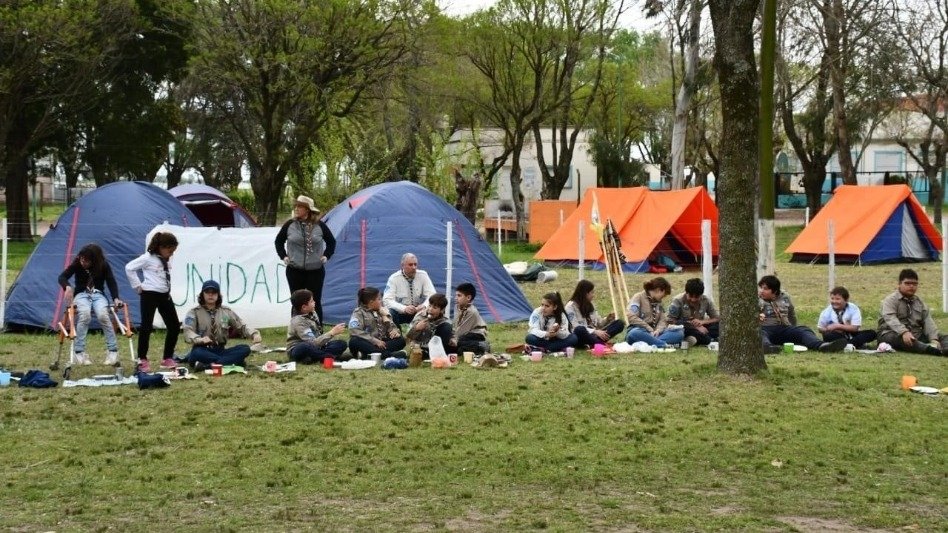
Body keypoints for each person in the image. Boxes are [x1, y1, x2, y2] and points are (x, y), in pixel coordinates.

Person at [57, 243, 124, 365]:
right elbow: (62, 277)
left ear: (94, 260)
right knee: (85, 315)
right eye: (82, 259)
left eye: (86, 261)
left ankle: (112, 351)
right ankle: (79, 352)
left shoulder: (103, 265)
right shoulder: (77, 263)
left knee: (103, 315)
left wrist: (116, 298)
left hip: (98, 295)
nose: (83, 262)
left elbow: (111, 282)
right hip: (81, 295)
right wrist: (67, 286)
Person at [274, 195, 336, 321]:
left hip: (316, 271)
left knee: (315, 301)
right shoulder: (289, 225)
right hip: (294, 270)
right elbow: (278, 241)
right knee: (296, 301)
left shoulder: (320, 226)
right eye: (296, 206)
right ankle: (296, 330)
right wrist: (284, 256)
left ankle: (318, 330)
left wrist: (326, 255)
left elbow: (332, 242)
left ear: (307, 210)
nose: (296, 209)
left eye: (300, 206)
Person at [125, 232, 180, 372]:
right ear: (161, 247)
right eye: (170, 250)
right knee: (146, 326)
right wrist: (138, 286)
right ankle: (142, 359)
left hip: (164, 295)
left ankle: (167, 357)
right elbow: (129, 268)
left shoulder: (167, 259)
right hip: (149, 294)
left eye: (173, 251)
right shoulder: (147, 258)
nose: (171, 254)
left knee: (174, 325)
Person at [182, 280, 262, 369]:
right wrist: (200, 339)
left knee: (245, 348)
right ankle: (232, 362)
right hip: (203, 350)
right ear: (202, 294)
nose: (210, 294)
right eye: (207, 292)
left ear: (218, 295)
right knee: (196, 353)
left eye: (214, 292)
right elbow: (187, 331)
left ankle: (208, 366)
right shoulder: (194, 312)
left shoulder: (226, 311)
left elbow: (241, 326)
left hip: (220, 350)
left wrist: (254, 334)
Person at [758, 275, 847, 353]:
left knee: (803, 330)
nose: (761, 291)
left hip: (783, 328)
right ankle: (767, 348)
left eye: (765, 289)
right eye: (761, 288)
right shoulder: (756, 299)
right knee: (759, 333)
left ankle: (822, 346)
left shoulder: (784, 297)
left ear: (774, 291)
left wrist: (793, 328)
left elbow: (791, 313)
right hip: (765, 329)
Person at [877, 269, 947, 356]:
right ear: (899, 284)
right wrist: (904, 332)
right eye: (907, 283)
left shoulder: (919, 302)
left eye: (914, 284)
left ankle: (944, 349)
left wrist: (934, 338)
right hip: (891, 333)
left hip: (915, 334)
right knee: (897, 338)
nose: (911, 286)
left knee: (942, 337)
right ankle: (930, 350)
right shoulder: (890, 300)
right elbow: (891, 319)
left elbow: (927, 321)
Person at [286, 289, 348, 364]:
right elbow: (311, 343)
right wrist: (331, 333)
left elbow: (317, 339)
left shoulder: (313, 313)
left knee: (341, 343)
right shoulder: (298, 322)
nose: (314, 302)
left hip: (316, 347)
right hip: (299, 350)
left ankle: (316, 358)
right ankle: (329, 357)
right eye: (312, 301)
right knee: (304, 347)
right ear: (304, 307)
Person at [348, 287, 406, 359]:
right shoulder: (359, 312)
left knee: (401, 340)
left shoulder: (383, 311)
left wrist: (394, 331)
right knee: (354, 341)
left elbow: (392, 328)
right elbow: (355, 331)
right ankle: (388, 355)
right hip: (367, 342)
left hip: (382, 342)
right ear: (371, 302)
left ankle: (369, 354)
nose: (381, 301)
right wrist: (374, 341)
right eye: (379, 299)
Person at [625, 277, 683, 348]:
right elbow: (632, 317)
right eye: (664, 295)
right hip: (641, 330)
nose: (663, 297)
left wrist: (658, 330)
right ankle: (663, 345)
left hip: (655, 333)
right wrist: (649, 329)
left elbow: (662, 320)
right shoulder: (638, 297)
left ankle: (653, 343)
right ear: (659, 290)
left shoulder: (659, 302)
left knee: (679, 332)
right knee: (634, 333)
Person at [565, 280, 624, 348]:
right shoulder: (570, 307)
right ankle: (599, 344)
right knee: (580, 330)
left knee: (619, 323)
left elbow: (599, 323)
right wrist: (594, 331)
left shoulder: (590, 304)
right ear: (585, 293)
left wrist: (608, 319)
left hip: (595, 335)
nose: (593, 295)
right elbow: (574, 327)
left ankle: (593, 343)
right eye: (592, 292)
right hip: (581, 336)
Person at [383, 253, 436, 326]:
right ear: (402, 265)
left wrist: (424, 305)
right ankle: (395, 334)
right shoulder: (394, 278)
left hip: (419, 312)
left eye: (415, 264)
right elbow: (387, 300)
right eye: (410, 265)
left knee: (435, 307)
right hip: (400, 313)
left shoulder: (423, 275)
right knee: (389, 312)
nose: (414, 267)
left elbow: (432, 295)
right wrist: (404, 308)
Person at [667, 278, 720, 347]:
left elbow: (717, 318)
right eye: (691, 296)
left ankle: (695, 339)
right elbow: (671, 321)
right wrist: (695, 327)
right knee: (681, 326)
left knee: (720, 325)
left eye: (697, 297)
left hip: (702, 328)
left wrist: (702, 322)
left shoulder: (706, 300)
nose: (693, 299)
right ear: (686, 293)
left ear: (701, 294)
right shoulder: (677, 300)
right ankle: (707, 339)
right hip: (685, 328)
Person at [406, 293, 453, 358]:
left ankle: (438, 353)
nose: (430, 309)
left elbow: (453, 334)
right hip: (420, 347)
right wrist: (416, 328)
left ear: (442, 310)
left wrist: (453, 339)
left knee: (447, 327)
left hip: (435, 346)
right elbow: (408, 337)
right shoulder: (420, 316)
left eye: (435, 308)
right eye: (429, 306)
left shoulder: (444, 321)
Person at [450, 282, 489, 354]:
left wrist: (453, 339)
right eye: (456, 295)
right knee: (458, 349)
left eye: (459, 296)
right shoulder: (457, 307)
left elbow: (462, 331)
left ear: (468, 298)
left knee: (458, 342)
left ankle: (481, 345)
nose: (456, 298)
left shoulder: (472, 312)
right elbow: (456, 324)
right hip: (464, 334)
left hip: (476, 335)